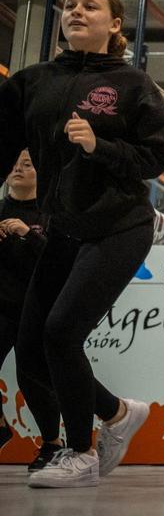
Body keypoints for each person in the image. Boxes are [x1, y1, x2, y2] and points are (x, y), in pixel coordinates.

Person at [0, 0, 164, 488]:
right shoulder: (31, 83)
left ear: (114, 24)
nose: (76, 11)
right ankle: (118, 414)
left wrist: (101, 146)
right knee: (31, 346)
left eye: (90, 6)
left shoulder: (131, 84)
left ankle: (80, 453)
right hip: (64, 229)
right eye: (69, 5)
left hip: (120, 226)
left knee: (61, 331)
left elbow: (157, 157)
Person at [0, 150, 55, 465]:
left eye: (28, 164)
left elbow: (55, 261)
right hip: (1, 306)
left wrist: (26, 234)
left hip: (35, 309)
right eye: (15, 163)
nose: (18, 168)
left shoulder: (49, 215)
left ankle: (51, 443)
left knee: (32, 379)